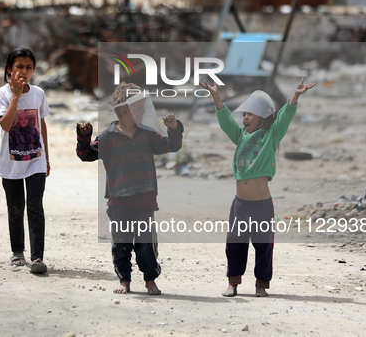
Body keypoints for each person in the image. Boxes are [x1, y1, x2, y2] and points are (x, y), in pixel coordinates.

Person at [199, 78, 316, 297]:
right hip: (240, 205)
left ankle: (261, 284)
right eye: (243, 114)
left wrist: (295, 97)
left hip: (262, 205)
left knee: (263, 246)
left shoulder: (271, 136)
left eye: (249, 114)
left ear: (262, 117)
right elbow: (225, 122)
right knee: (235, 243)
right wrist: (216, 97)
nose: (245, 118)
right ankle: (233, 283)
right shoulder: (240, 136)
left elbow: (284, 117)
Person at [76, 81, 184, 295]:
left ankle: (150, 280)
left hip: (144, 200)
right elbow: (86, 155)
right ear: (124, 111)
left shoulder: (147, 135)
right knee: (121, 245)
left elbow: (171, 145)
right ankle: (124, 280)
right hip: (119, 201)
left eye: (145, 106)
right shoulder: (107, 137)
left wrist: (174, 129)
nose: (144, 110)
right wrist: (84, 137)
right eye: (140, 107)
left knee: (146, 246)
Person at [0, 48, 50, 274]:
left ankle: (37, 257)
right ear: (9, 69)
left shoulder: (38, 94)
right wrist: (15, 95)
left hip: (36, 159)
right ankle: (17, 251)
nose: (24, 72)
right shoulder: (2, 95)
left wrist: (47, 157)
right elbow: (5, 125)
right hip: (11, 162)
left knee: (35, 207)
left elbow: (41, 124)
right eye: (19, 67)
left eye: (29, 67)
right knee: (15, 208)